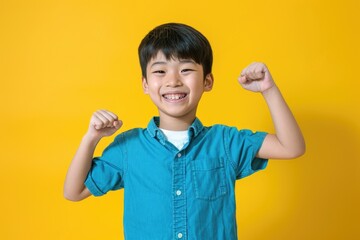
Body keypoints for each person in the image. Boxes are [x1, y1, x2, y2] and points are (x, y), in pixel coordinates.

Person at [64, 23, 305, 239]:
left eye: (186, 70)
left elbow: (291, 147)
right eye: (160, 71)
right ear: (145, 84)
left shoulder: (225, 142)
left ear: (207, 81)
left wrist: (268, 90)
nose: (173, 81)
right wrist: (91, 139)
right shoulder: (129, 147)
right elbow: (74, 192)